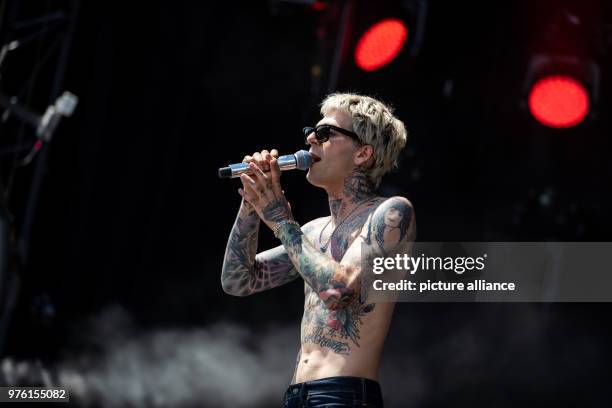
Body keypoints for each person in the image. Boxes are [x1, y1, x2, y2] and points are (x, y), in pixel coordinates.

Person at [221, 92, 416, 407]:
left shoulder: (391, 213)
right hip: (297, 395)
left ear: (363, 154)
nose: (311, 138)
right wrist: (252, 202)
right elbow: (238, 280)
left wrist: (280, 220)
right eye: (310, 131)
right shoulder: (313, 231)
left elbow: (337, 291)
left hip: (343, 394)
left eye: (326, 133)